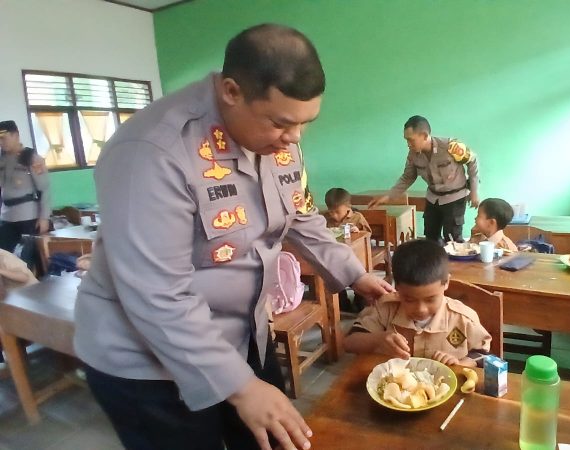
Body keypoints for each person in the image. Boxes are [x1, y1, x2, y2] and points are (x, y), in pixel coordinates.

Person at [73, 24, 393, 450]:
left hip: (241, 334)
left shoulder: (276, 137)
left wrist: (354, 274)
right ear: (231, 91)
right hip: (149, 364)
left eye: (306, 123)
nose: (295, 138)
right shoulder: (153, 151)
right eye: (283, 123)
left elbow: (297, 214)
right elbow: (156, 293)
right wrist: (240, 387)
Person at [344, 239, 491, 367]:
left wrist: (460, 363)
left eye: (430, 299)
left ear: (446, 282)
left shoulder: (463, 319)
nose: (421, 309)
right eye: (409, 299)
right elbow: (349, 343)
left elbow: (483, 355)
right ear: (397, 288)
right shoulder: (385, 309)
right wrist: (378, 340)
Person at [368, 115, 479, 244]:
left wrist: (474, 191)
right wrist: (388, 196)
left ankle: (453, 263)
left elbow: (472, 161)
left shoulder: (451, 146)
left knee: (452, 238)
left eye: (411, 140)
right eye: (406, 140)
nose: (408, 144)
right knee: (430, 237)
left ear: (425, 136)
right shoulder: (413, 154)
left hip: (455, 197)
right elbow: (408, 177)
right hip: (433, 198)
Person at [0, 120, 51, 252]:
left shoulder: (31, 158)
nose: (1, 142)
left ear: (16, 135)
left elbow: (45, 189)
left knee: (29, 259)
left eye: (3, 138)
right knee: (6, 260)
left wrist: (44, 218)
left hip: (28, 217)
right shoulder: (2, 159)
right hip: (6, 218)